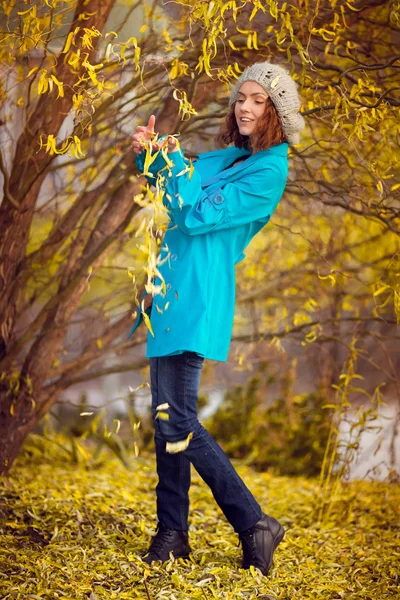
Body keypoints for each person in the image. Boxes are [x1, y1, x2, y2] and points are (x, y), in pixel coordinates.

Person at [130, 61, 305, 576]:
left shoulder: (269, 169)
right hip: (168, 287)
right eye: (241, 98)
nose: (245, 107)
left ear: (276, 111)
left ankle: (254, 523)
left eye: (258, 100)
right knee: (165, 420)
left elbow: (195, 213)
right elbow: (171, 192)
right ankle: (172, 532)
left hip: (201, 295)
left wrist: (176, 170)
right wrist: (155, 156)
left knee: (179, 419)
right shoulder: (229, 155)